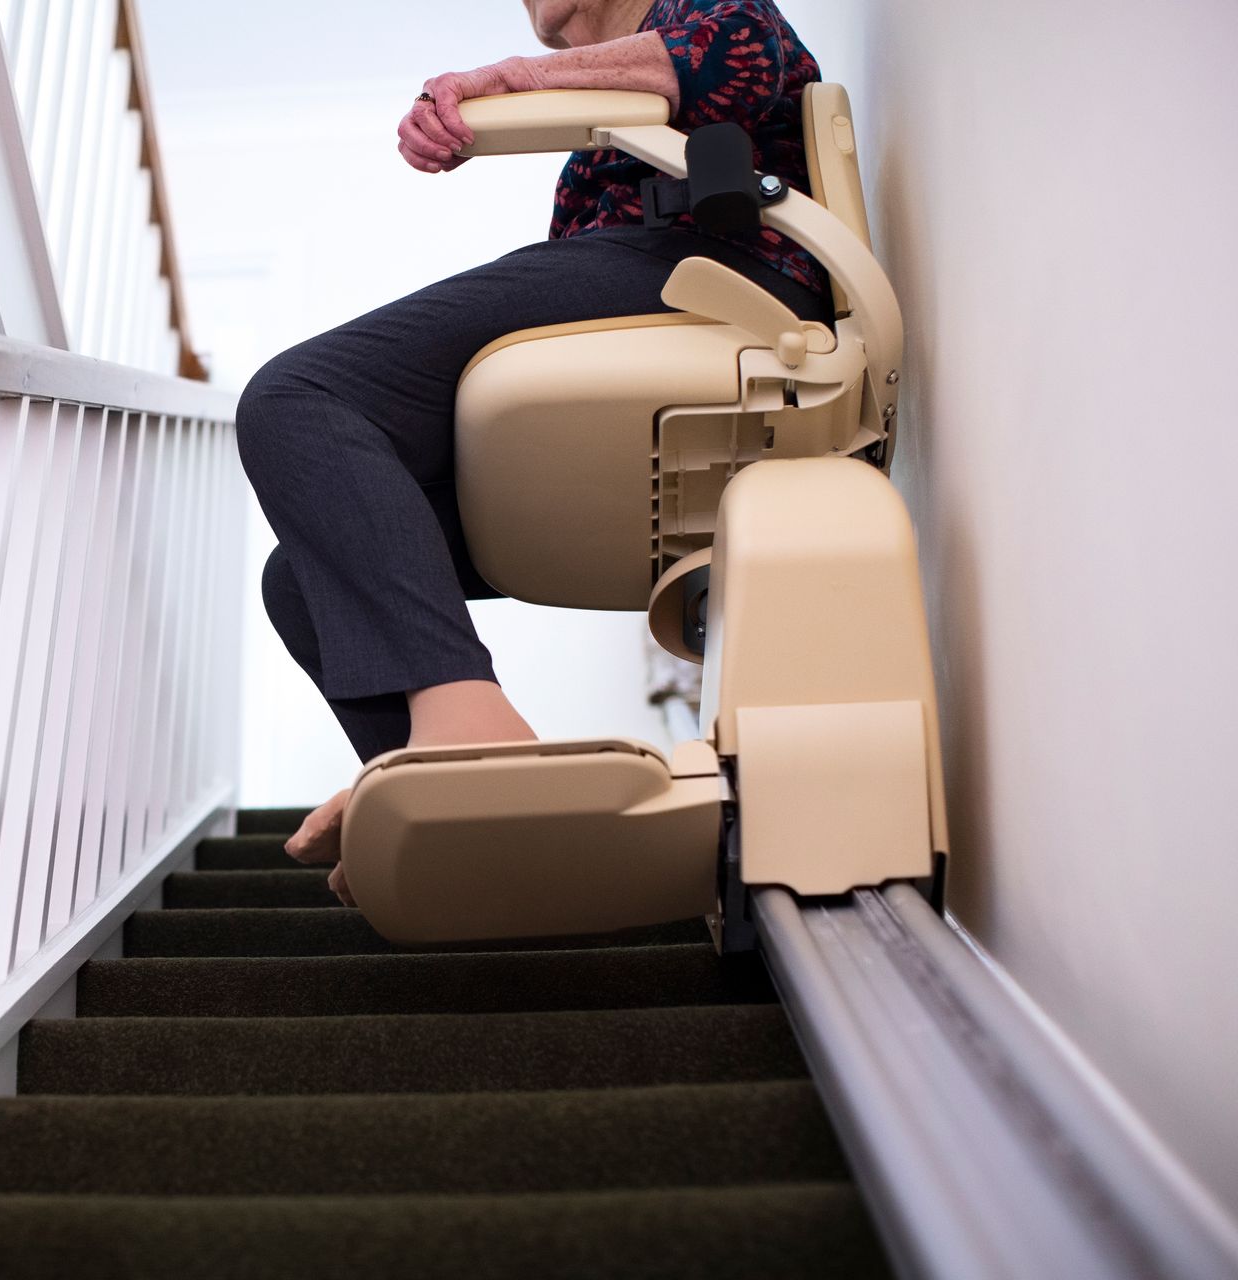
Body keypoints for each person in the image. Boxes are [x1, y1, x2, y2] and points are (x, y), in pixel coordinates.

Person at [236, 0, 827, 901]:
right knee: (302, 577)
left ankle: (468, 729)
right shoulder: (599, 136)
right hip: (649, 328)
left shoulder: (714, 9)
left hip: (720, 277)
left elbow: (735, 56)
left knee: (299, 397)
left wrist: (504, 81)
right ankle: (456, 809)